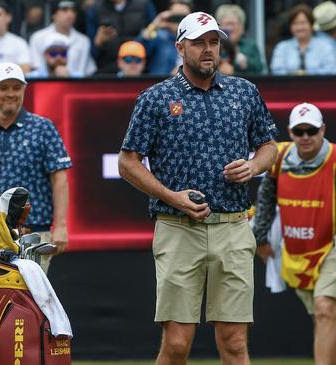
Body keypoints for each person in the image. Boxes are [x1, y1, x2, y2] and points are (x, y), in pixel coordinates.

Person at [117, 12, 278, 364]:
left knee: (235, 342)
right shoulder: (156, 98)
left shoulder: (244, 91)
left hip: (234, 226)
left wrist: (253, 166)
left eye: (214, 42)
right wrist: (171, 197)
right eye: (199, 43)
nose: (208, 50)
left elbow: (269, 145)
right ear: (180, 47)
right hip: (178, 229)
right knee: (176, 343)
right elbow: (127, 162)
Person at [0, 62, 71, 277]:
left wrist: (61, 226)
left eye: (16, 88)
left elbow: (60, 179)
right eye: (4, 87)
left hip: (32, 236)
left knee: (28, 306)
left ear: (24, 89)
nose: (10, 94)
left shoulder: (43, 128)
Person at [253, 102, 336, 365]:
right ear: (290, 132)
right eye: (299, 131)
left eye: (311, 130)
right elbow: (266, 197)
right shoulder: (280, 158)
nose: (305, 137)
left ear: (322, 129)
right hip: (299, 249)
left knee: (324, 309)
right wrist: (261, 238)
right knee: (322, 316)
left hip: (332, 246)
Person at [29, 0, 96, 77]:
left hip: (78, 86)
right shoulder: (37, 37)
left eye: (73, 11)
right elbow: (36, 67)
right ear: (54, 15)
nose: (70, 14)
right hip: (44, 85)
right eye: (64, 10)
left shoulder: (84, 41)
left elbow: (89, 71)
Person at [270, 4, 336, 75]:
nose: (299, 27)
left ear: (311, 25)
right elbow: (276, 72)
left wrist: (306, 74)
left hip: (319, 86)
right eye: (295, 23)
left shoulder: (325, 47)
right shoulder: (282, 48)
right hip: (289, 86)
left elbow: (331, 71)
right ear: (290, 27)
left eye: (303, 23)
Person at [136, 0, 191, 75]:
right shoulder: (159, 36)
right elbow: (137, 49)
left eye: (183, 17)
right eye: (175, 17)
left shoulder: (196, 40)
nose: (179, 21)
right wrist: (156, 23)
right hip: (160, 82)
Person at [0, 1, 32, 73]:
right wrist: (11, 69)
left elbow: (25, 69)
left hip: (12, 83)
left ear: (9, 17)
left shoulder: (19, 42)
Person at [214, 4, 264, 75]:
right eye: (226, 24)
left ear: (241, 27)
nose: (229, 29)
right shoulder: (214, 45)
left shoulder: (250, 46)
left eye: (232, 24)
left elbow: (259, 69)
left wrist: (236, 69)